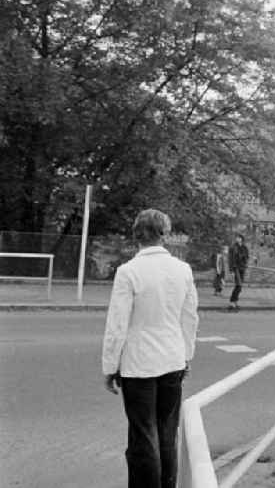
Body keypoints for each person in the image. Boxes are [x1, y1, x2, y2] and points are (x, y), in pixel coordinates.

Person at [101, 208, 199, 488]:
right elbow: (190, 318)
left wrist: (110, 367)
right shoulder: (183, 270)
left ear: (136, 235)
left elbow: (117, 325)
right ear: (164, 235)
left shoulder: (128, 272)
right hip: (172, 360)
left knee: (143, 434)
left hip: (138, 363)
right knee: (168, 431)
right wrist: (186, 355)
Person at [228, 234, 249, 311]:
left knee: (239, 287)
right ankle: (232, 302)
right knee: (238, 285)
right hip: (235, 267)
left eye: (239, 238)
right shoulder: (233, 247)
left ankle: (235, 302)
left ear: (241, 239)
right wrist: (231, 270)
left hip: (242, 268)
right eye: (236, 238)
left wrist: (246, 265)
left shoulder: (244, 247)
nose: (237, 239)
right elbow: (230, 259)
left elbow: (247, 257)